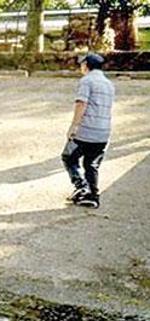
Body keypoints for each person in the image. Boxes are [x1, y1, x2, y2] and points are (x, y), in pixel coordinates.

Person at [62, 53, 115, 209]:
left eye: (82, 64)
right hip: (103, 132)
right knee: (91, 164)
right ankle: (93, 196)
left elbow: (81, 104)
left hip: (86, 131)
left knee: (68, 157)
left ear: (86, 65)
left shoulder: (87, 81)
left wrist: (74, 126)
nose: (81, 67)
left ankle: (81, 187)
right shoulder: (109, 84)